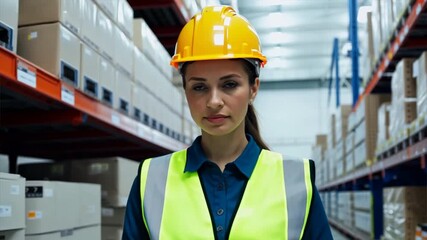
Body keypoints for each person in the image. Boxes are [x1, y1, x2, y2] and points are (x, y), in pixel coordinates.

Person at [123, 5, 332, 240]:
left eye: (229, 84)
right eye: (199, 87)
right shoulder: (151, 180)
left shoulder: (296, 180)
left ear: (254, 88)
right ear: (185, 91)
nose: (213, 101)